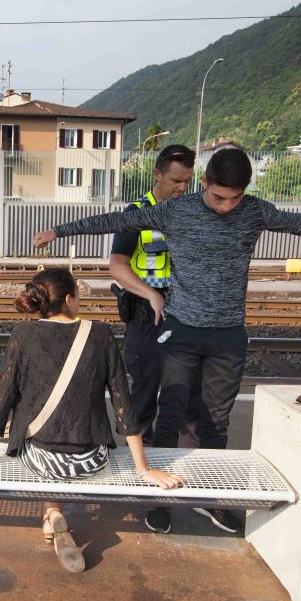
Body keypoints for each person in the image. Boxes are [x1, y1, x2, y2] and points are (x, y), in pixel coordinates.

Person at [33, 148, 301, 536]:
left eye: (235, 198)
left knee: (215, 421)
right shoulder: (175, 211)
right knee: (171, 415)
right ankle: (159, 500)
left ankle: (211, 497)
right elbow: (114, 220)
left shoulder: (255, 211)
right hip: (182, 330)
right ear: (204, 183)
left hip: (228, 335)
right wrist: (59, 232)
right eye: (218, 197)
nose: (227, 207)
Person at [0, 268, 185, 572]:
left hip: (42, 460)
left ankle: (52, 513)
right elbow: (123, 406)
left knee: (25, 426)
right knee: (52, 423)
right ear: (69, 299)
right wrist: (144, 470)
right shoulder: (101, 333)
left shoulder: (23, 335)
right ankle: (52, 516)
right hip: (90, 460)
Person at [109, 145, 203, 450]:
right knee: (146, 389)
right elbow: (117, 265)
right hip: (146, 314)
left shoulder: (192, 212)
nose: (181, 187)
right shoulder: (136, 213)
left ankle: (186, 462)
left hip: (185, 313)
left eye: (187, 181)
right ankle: (142, 462)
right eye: (176, 180)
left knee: (187, 391)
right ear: (157, 174)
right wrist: (151, 294)